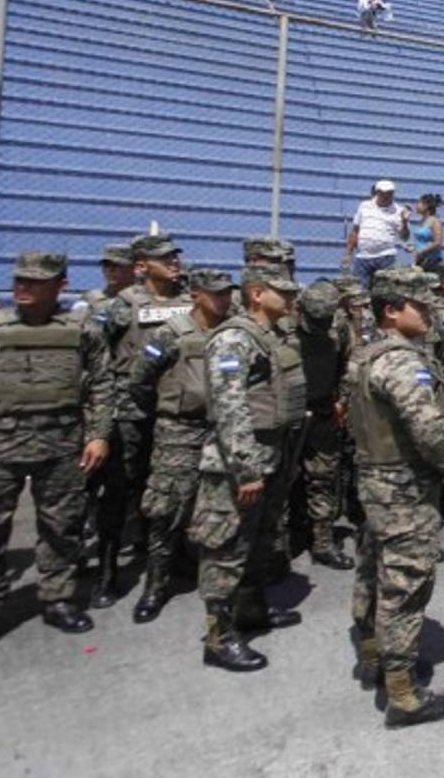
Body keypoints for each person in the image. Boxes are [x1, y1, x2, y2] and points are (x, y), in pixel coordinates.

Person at [0, 252, 112, 662]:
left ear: (60, 286)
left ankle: (57, 598)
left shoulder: (83, 331)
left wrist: (99, 435)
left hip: (60, 443)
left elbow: (101, 385)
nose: (23, 287)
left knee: (63, 525)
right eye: (20, 280)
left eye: (35, 282)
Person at [347, 268, 444, 728]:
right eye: (421, 304)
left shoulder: (365, 354)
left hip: (375, 480)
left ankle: (372, 655)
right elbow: (429, 429)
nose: (430, 310)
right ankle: (403, 694)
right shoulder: (399, 360)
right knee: (406, 582)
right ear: (392, 311)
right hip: (404, 487)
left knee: (374, 570)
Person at [189, 264, 306, 672]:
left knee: (257, 542)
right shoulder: (234, 339)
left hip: (271, 455)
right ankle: (218, 638)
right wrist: (246, 469)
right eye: (282, 291)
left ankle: (251, 611)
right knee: (226, 548)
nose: (291, 298)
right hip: (239, 464)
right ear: (256, 294)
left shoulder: (270, 337)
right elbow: (229, 407)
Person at [128, 268, 236, 623]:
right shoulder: (170, 333)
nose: (224, 299)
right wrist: (166, 407)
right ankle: (155, 585)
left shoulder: (233, 332)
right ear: (196, 295)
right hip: (179, 431)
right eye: (215, 293)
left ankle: (206, 575)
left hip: (220, 428)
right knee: (167, 509)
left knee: (218, 506)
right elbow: (140, 379)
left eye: (226, 293)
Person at [97, 233, 191, 607]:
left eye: (174, 256)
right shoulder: (124, 305)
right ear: (141, 266)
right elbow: (97, 355)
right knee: (119, 489)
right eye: (163, 257)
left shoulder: (188, 301)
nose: (173, 262)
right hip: (129, 410)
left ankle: (165, 568)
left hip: (172, 409)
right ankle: (107, 572)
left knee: (170, 491)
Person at [295, 279, 356, 570]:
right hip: (288, 415)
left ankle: (322, 543)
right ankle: (279, 545)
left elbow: (348, 364)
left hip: (323, 411)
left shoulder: (340, 325)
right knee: (282, 482)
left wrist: (341, 400)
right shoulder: (283, 326)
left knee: (323, 478)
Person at [343, 180, 409, 287]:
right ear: (377, 193)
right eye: (384, 193)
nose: (387, 196)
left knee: (385, 291)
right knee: (360, 292)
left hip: (385, 257)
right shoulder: (364, 206)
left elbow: (404, 237)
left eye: (390, 193)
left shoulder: (399, 211)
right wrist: (348, 253)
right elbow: (355, 230)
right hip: (363, 257)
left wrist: (405, 222)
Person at [72, 243, 135, 316]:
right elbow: (75, 324)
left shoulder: (144, 299)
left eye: (116, 265)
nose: (110, 270)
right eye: (106, 265)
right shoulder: (91, 298)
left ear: (133, 268)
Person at [408, 193, 444, 273]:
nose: (416, 206)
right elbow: (423, 241)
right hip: (420, 260)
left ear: (426, 206)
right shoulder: (422, 221)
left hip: (431, 261)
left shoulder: (435, 221)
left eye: (419, 203)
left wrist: (421, 251)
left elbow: (438, 242)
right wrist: (413, 247)